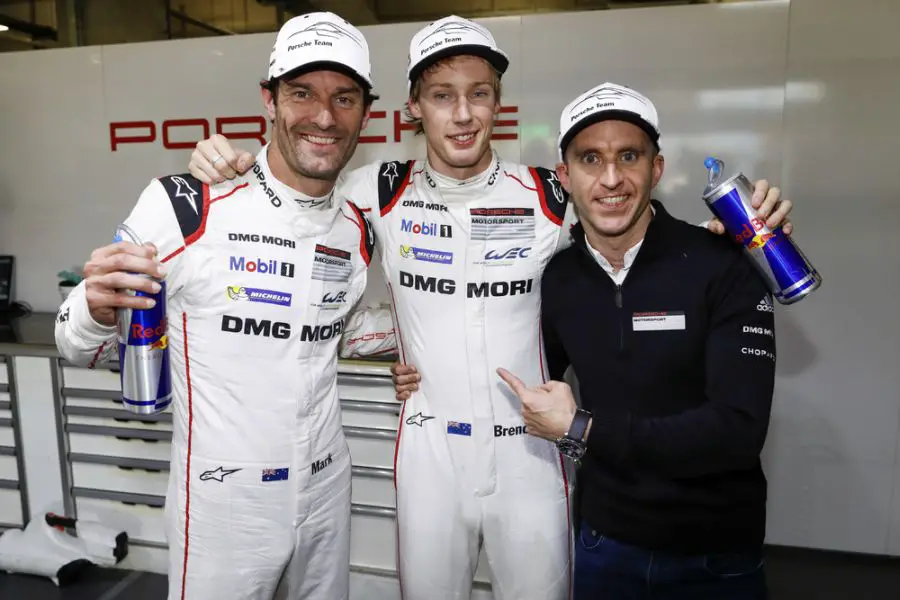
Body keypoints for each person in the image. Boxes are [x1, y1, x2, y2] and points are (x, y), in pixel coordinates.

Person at [187, 16, 792, 600]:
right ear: (413, 108)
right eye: (443, 95)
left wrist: (731, 234)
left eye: (480, 94)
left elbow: (630, 239)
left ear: (498, 104)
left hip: (530, 449)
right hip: (428, 451)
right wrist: (226, 164)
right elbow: (292, 221)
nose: (463, 113)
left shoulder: (549, 193)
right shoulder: (375, 188)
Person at [55, 12, 378, 600]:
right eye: (302, 93)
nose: (324, 117)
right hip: (226, 500)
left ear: (365, 112)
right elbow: (79, 345)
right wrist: (96, 308)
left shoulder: (354, 228)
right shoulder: (186, 205)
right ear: (269, 101)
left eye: (345, 97)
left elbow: (333, 334)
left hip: (329, 486)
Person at [498, 82, 778, 600]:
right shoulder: (559, 278)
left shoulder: (723, 263)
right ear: (565, 176)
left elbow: (737, 431)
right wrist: (415, 368)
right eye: (590, 159)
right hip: (606, 547)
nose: (610, 179)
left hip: (716, 555)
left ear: (657, 168)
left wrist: (584, 429)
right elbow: (530, 376)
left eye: (629, 156)